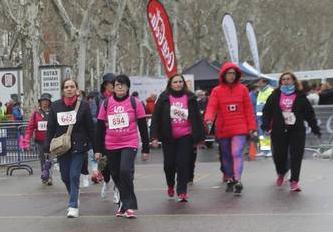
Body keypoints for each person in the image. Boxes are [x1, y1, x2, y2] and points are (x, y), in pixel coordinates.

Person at [94, 73, 150, 218]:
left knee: (125, 171)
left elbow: (143, 126)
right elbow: (100, 128)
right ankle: (123, 204)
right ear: (113, 87)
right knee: (116, 174)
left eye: (123, 85)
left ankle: (129, 205)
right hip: (111, 144)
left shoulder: (135, 102)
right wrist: (98, 149)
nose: (120, 87)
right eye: (117, 85)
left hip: (129, 142)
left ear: (128, 87)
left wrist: (146, 148)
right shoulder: (106, 103)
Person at [204, 62, 258, 194]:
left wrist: (252, 127)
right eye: (229, 73)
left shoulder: (243, 89)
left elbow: (249, 110)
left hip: (240, 127)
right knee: (226, 156)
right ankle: (230, 178)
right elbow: (211, 107)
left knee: (237, 153)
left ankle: (238, 180)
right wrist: (208, 119)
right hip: (223, 128)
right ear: (223, 74)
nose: (231, 76)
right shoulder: (216, 91)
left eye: (234, 73)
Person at [45, 78, 95, 218]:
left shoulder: (84, 106)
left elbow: (90, 128)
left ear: (76, 89)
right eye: (66, 87)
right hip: (62, 146)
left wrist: (96, 148)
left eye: (72, 86)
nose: (69, 89)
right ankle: (74, 193)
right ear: (62, 90)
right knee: (65, 176)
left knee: (74, 175)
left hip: (79, 146)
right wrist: (46, 145)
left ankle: (73, 205)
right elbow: (50, 128)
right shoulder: (55, 106)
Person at [151, 73, 205, 203]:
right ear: (170, 84)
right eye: (175, 82)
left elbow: (197, 118)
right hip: (168, 136)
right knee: (169, 165)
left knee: (183, 163)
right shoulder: (164, 98)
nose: (178, 84)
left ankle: (182, 191)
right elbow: (155, 118)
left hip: (185, 136)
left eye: (180, 81)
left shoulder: (190, 97)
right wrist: (154, 137)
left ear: (184, 83)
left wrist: (200, 137)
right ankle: (170, 184)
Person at [262, 71, 320, 193]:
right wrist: (266, 124)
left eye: (288, 79)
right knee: (279, 155)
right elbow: (267, 111)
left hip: (296, 130)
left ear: (294, 81)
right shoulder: (275, 95)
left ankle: (294, 181)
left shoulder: (300, 96)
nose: (286, 81)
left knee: (296, 156)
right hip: (279, 130)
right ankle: (281, 173)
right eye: (283, 79)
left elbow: (309, 114)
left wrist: (315, 128)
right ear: (280, 82)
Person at [95, 73, 118, 203]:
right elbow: (93, 116)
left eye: (116, 83)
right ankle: (107, 181)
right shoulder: (98, 99)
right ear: (105, 85)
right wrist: (102, 121)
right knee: (103, 164)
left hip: (117, 136)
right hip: (102, 136)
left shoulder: (120, 97)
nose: (114, 86)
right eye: (111, 83)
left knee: (116, 164)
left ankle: (117, 188)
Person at [26, 95, 54, 186]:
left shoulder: (53, 112)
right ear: (40, 102)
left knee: (50, 159)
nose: (45, 102)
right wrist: (27, 138)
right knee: (42, 159)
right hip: (40, 141)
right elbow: (30, 127)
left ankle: (49, 176)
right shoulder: (35, 114)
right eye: (43, 101)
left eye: (47, 101)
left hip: (51, 140)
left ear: (49, 102)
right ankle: (44, 175)